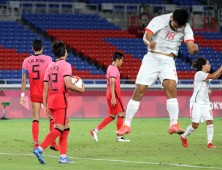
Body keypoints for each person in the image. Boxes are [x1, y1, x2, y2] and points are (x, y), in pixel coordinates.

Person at [117, 8, 199, 136]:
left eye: (180, 27)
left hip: (168, 59)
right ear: (172, 17)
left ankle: (173, 124)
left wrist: (194, 50)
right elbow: (146, 36)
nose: (177, 29)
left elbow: (190, 47)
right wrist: (149, 43)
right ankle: (126, 125)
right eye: (175, 26)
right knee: (139, 90)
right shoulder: (159, 20)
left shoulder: (185, 27)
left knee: (172, 88)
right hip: (152, 57)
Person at [33, 40, 84, 164]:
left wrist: (45, 106)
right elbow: (68, 84)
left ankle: (63, 156)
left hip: (51, 100)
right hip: (61, 100)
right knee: (59, 129)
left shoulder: (49, 66)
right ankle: (40, 148)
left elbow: (45, 89)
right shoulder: (65, 65)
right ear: (65, 52)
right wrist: (81, 89)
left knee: (66, 128)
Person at [20, 39, 59, 151]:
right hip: (46, 92)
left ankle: (36, 143)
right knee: (52, 118)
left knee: (35, 119)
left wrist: (22, 95)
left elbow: (24, 79)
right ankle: (53, 143)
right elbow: (52, 76)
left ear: (32, 48)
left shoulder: (26, 61)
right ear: (42, 48)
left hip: (34, 93)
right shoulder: (48, 59)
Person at [180, 57, 222, 148]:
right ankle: (183, 136)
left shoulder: (205, 74)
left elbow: (215, 76)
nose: (210, 65)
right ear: (203, 66)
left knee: (210, 121)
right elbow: (214, 76)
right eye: (208, 64)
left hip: (205, 102)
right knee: (195, 125)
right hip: (196, 102)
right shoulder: (199, 74)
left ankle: (209, 143)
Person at [90, 52, 130, 142]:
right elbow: (112, 82)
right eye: (121, 60)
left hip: (110, 94)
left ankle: (95, 130)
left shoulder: (110, 68)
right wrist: (113, 97)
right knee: (121, 114)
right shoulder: (114, 69)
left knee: (112, 116)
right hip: (114, 94)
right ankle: (119, 137)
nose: (122, 62)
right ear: (117, 59)